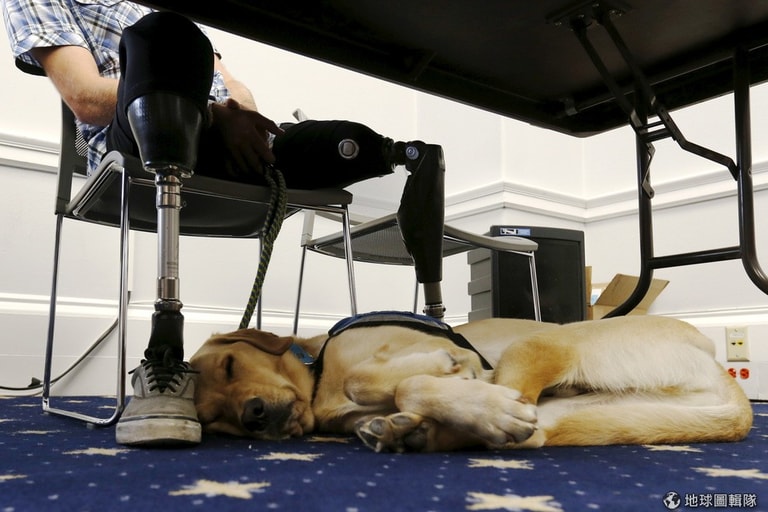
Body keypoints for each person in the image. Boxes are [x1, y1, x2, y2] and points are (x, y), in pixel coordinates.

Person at [3, 0, 395, 447]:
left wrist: (235, 114)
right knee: (164, 34)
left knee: (351, 146)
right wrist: (208, 112)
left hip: (224, 137)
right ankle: (163, 351)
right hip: (134, 143)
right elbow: (87, 99)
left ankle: (375, 353)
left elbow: (235, 87)